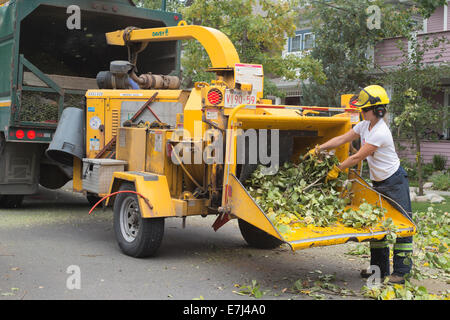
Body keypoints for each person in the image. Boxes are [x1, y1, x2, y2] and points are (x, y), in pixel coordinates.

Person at [308, 85, 413, 284]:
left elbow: (357, 157)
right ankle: (379, 271)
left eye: (364, 109)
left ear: (378, 110)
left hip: (395, 181)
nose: (361, 111)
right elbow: (341, 139)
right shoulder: (365, 126)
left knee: (403, 227)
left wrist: (336, 170)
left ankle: (401, 272)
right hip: (379, 182)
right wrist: (319, 149)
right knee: (377, 226)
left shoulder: (380, 132)